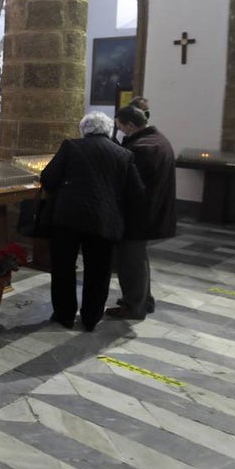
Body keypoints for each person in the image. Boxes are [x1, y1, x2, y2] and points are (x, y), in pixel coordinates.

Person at [40, 111, 144, 331]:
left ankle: (65, 315)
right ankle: (91, 317)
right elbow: (136, 191)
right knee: (99, 270)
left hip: (68, 217)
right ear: (109, 131)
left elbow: (48, 178)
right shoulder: (123, 154)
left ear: (84, 130)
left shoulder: (71, 146)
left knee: (64, 268)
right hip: (104, 220)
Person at [107, 104, 176, 319]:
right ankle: (144, 299)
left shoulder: (143, 148)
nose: (121, 132)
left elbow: (130, 184)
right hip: (149, 213)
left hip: (138, 215)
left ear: (130, 124)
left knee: (130, 262)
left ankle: (133, 306)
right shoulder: (158, 139)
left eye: (122, 127)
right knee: (138, 259)